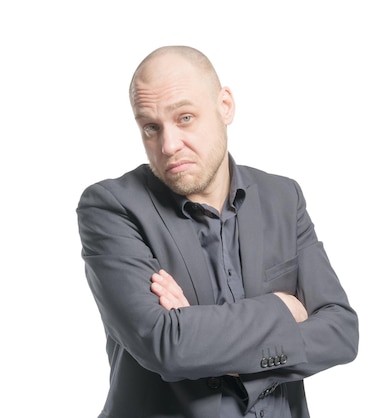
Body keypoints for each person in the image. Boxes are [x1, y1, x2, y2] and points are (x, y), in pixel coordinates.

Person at [76, 45, 359, 418]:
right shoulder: (111, 207)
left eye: (186, 117)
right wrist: (284, 308)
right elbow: (168, 345)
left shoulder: (283, 197)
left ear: (225, 105)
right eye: (150, 127)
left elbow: (341, 331)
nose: (169, 145)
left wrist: (212, 351)